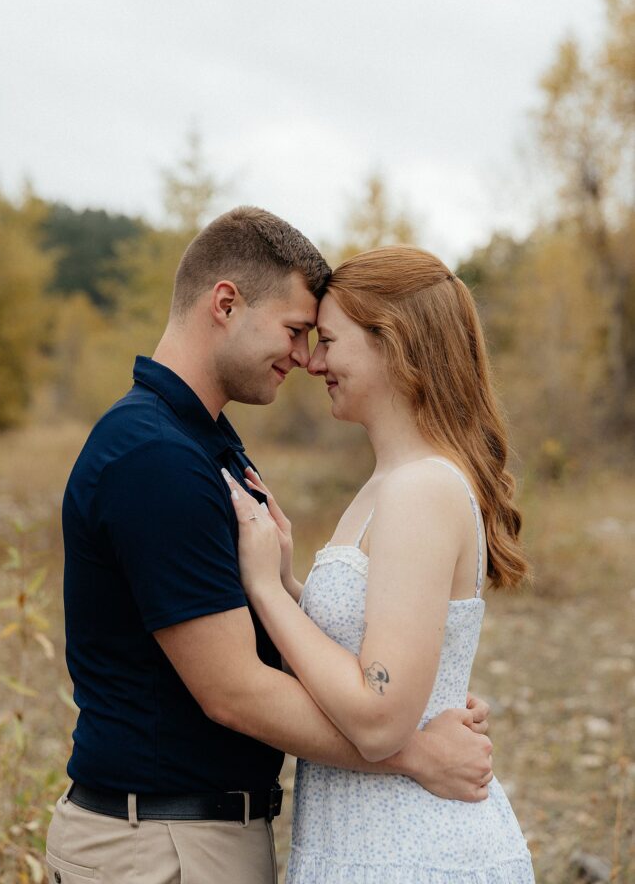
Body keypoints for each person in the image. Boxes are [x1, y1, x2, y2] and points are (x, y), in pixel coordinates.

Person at [46, 211, 495, 884]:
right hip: (159, 844)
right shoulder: (155, 457)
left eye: (319, 339)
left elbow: (367, 661)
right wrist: (413, 751)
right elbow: (234, 691)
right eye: (293, 331)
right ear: (225, 304)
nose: (304, 357)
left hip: (198, 834)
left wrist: (287, 593)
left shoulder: (206, 445)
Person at [225, 244, 535, 883]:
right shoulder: (388, 483)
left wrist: (267, 592)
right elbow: (371, 645)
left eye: (330, 341)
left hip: (413, 849)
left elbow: (378, 717)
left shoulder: (420, 488)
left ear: (391, 343)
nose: (312, 362)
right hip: (371, 838)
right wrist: (289, 579)